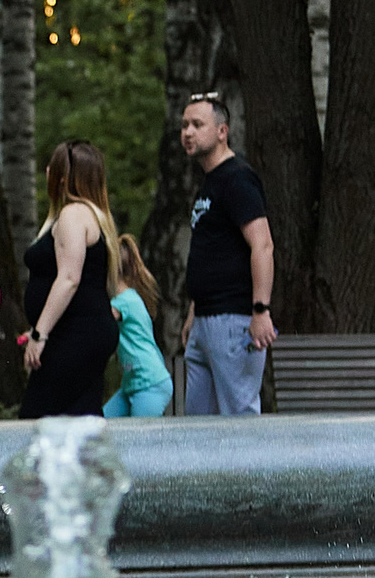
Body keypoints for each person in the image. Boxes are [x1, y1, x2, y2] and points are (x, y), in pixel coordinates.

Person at [177, 93, 275, 415]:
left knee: (240, 419)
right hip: (205, 320)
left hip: (234, 320)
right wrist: (195, 311)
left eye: (197, 125)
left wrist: (260, 310)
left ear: (222, 131)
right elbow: (212, 252)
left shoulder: (237, 178)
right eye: (185, 126)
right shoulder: (209, 183)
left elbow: (262, 245)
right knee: (198, 428)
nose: (188, 132)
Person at [18, 140, 123, 420]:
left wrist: (40, 334)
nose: (48, 170)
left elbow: (69, 279)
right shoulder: (91, 216)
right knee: (79, 419)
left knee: (39, 419)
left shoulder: (73, 214)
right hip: (75, 331)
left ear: (65, 177)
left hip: (77, 335)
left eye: (54, 166)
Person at [104, 235, 173, 418]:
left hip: (150, 384)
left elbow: (97, 323)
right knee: (102, 425)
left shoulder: (123, 302)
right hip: (132, 385)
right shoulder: (128, 298)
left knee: (141, 442)